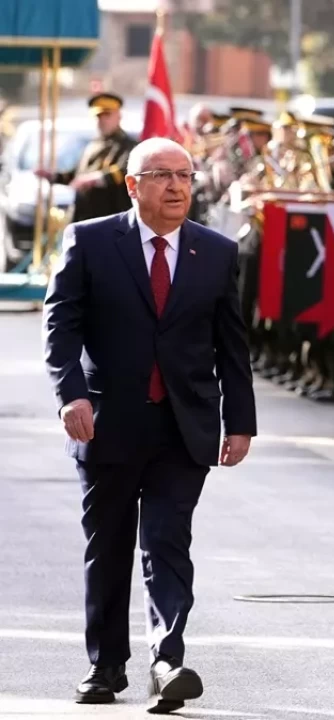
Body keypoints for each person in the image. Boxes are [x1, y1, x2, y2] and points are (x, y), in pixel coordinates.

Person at [42, 137, 257, 714]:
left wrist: (240, 422)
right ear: (133, 185)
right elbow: (60, 325)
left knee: (167, 541)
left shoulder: (214, 251)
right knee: (108, 545)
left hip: (183, 426)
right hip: (106, 422)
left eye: (184, 175)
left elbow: (231, 346)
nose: (176, 187)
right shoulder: (89, 241)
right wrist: (71, 396)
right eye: (161, 175)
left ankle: (168, 660)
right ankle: (105, 665)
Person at [36, 93, 136, 223]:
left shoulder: (128, 145)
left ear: (119, 116)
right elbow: (77, 176)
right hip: (85, 216)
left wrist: (94, 179)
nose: (102, 120)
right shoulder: (93, 145)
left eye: (107, 115)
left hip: (111, 218)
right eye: (98, 116)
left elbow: (124, 171)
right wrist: (54, 176)